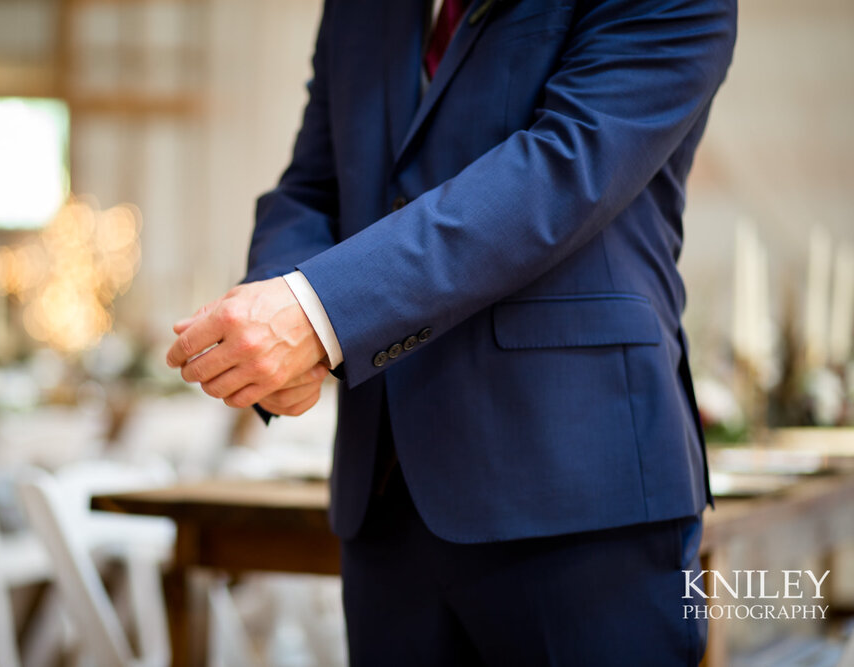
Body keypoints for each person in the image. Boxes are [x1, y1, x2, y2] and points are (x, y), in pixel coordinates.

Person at [167, 0, 737, 663]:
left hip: (579, 495)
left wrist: (320, 312)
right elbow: (312, 188)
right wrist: (276, 311)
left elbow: (559, 172)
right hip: (385, 498)